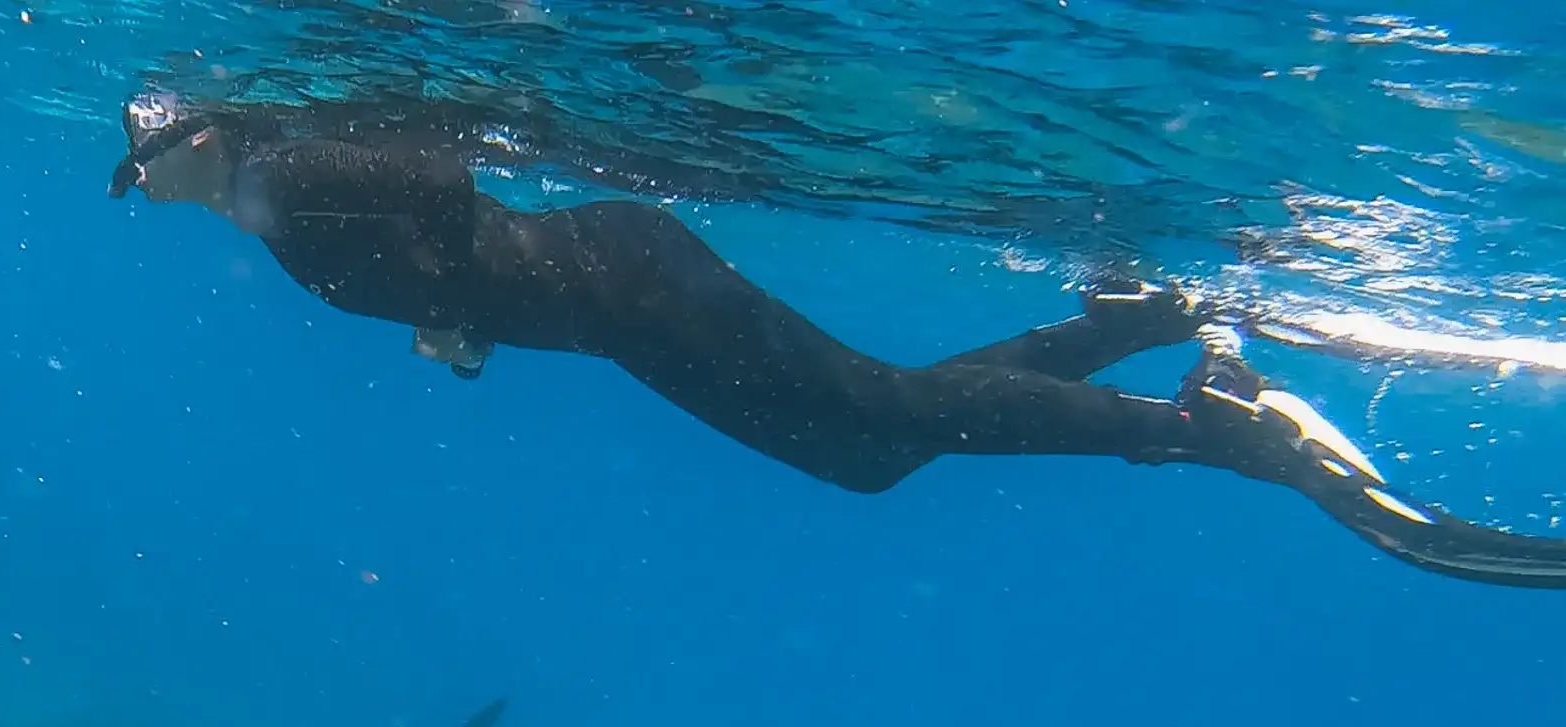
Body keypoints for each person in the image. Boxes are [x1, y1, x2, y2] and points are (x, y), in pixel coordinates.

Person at [105, 91, 1566, 589]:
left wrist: (454, 277)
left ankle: (1219, 425)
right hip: (611, 309)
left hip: (629, 288)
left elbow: (442, 166)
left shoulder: (282, 180)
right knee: (871, 448)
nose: (144, 185)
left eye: (147, 162)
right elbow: (443, 236)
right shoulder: (269, 194)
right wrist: (455, 313)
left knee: (888, 412)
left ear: (209, 136)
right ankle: (1121, 329)